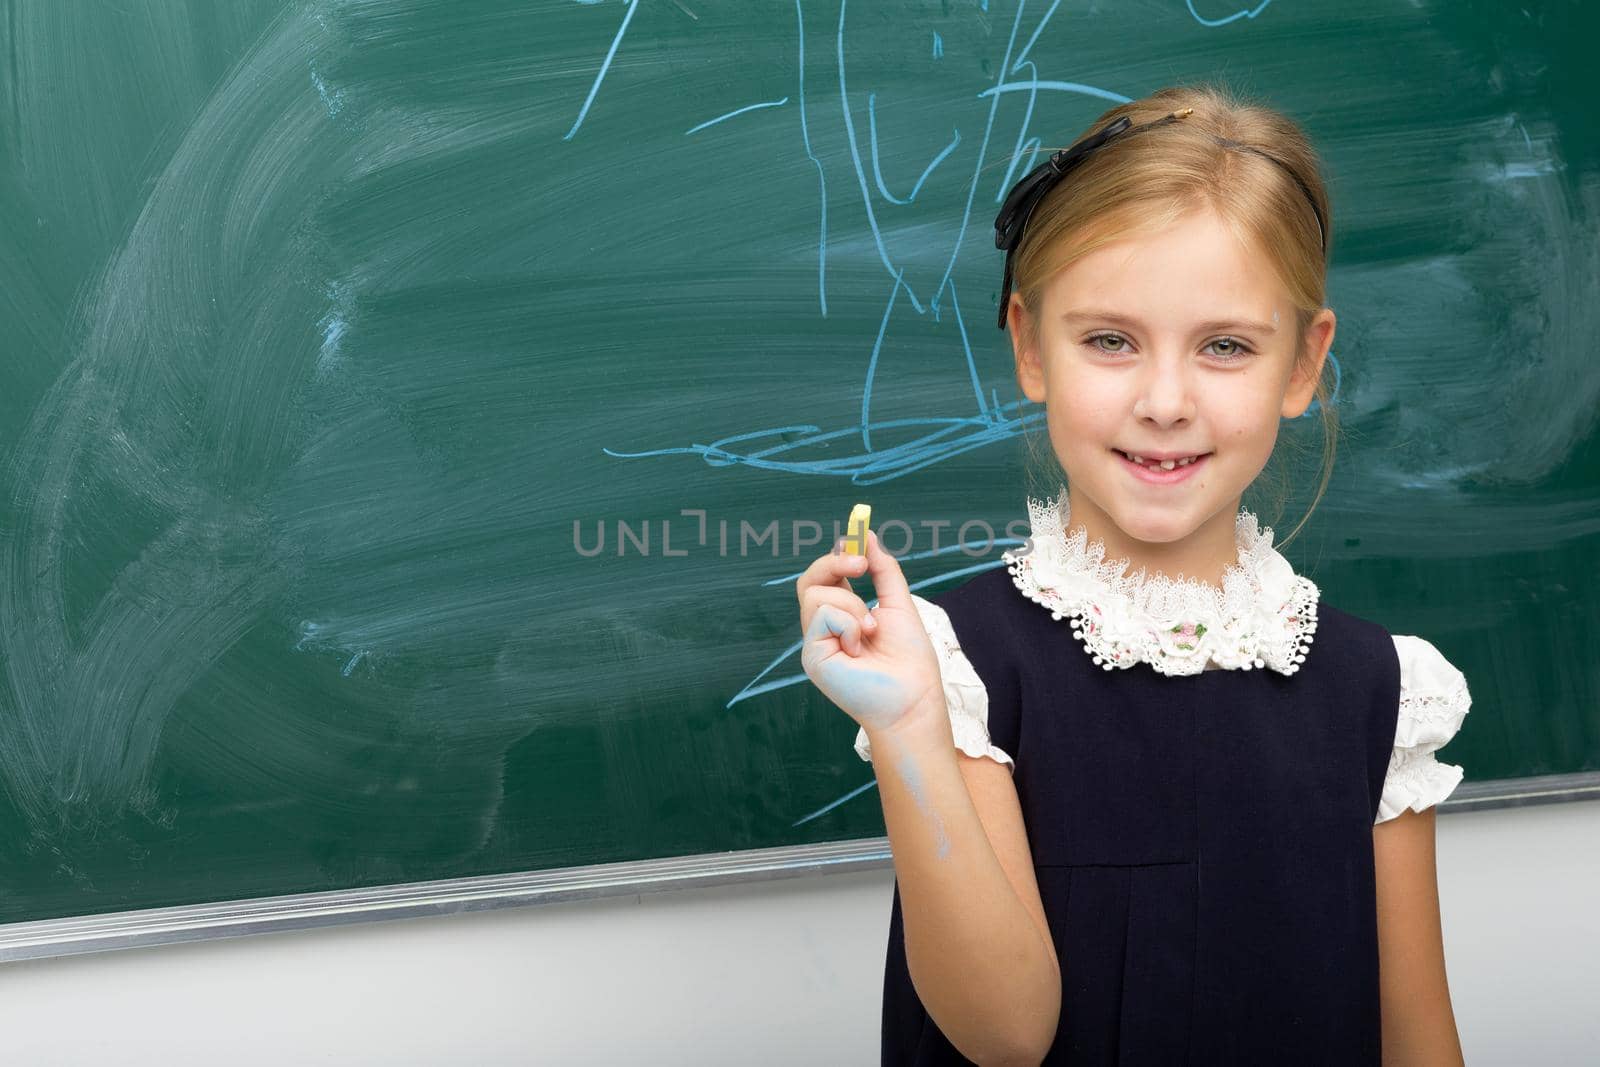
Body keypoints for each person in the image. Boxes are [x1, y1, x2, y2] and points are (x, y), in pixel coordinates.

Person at [795, 84, 1471, 1065]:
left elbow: (1418, 1041)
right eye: (1109, 340)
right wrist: (906, 731)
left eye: (1225, 346)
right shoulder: (959, 671)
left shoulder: (1385, 690)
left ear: (1301, 364)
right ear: (1030, 345)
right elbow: (1004, 1030)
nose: (1164, 400)